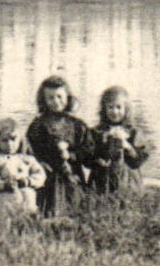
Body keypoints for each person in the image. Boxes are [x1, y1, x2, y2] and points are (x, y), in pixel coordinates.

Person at [25, 75, 96, 217]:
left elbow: (89, 151)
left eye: (59, 96)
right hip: (48, 176)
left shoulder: (77, 125)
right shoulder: (38, 125)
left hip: (72, 174)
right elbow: (29, 151)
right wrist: (39, 164)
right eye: (50, 98)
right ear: (43, 100)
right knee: (48, 211)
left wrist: (72, 155)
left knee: (75, 210)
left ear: (67, 97)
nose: (56, 101)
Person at [90, 85, 150, 195]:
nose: (114, 111)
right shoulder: (97, 131)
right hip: (103, 178)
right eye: (110, 107)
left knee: (127, 198)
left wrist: (127, 146)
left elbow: (140, 158)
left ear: (126, 109)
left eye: (118, 107)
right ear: (104, 109)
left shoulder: (132, 132)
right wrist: (98, 159)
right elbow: (88, 154)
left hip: (128, 179)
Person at [0, 117, 47, 214]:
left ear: (20, 140)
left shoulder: (27, 159)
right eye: (5, 140)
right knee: (3, 222)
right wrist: (3, 185)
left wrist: (28, 181)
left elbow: (40, 175)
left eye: (13, 139)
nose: (9, 144)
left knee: (26, 221)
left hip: (26, 200)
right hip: (3, 201)